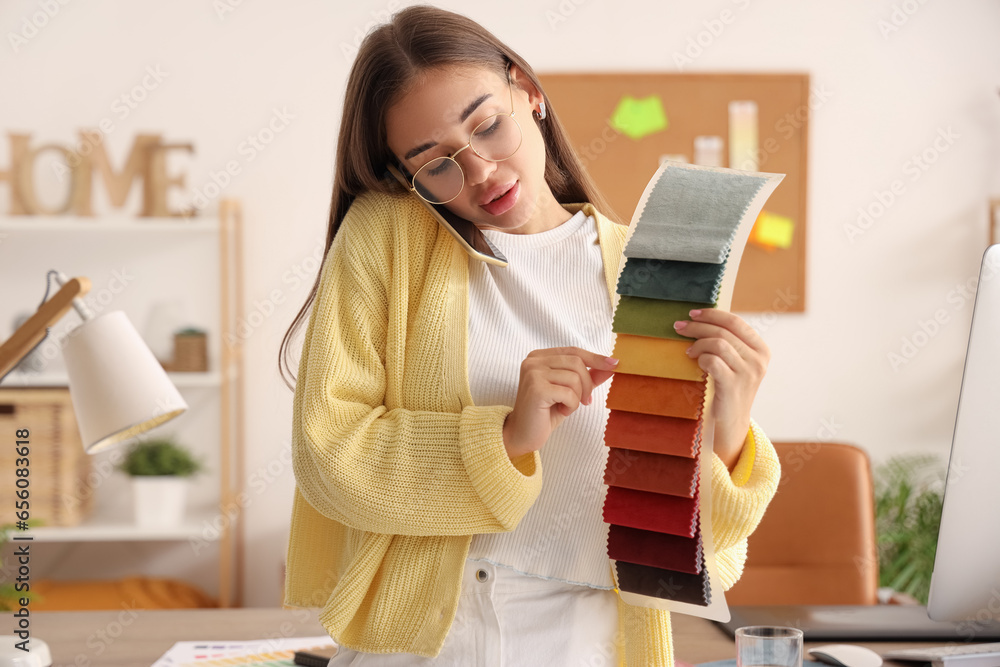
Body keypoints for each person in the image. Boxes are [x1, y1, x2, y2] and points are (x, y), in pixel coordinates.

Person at [278, 5, 781, 666]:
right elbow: (329, 454)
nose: (479, 171)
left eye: (486, 125)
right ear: (406, 176)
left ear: (528, 90)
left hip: (590, 642)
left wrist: (731, 430)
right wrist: (506, 436)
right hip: (430, 645)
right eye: (434, 164)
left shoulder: (651, 270)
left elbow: (708, 563)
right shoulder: (386, 236)